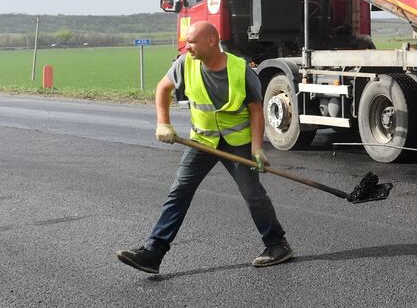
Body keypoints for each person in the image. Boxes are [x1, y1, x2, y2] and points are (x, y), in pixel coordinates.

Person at [117, 21, 292, 274]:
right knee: (179, 192)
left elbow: (256, 110)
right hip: (202, 141)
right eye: (187, 42)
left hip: (237, 143)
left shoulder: (240, 69)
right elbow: (163, 89)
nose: (187, 46)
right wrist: (163, 123)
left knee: (252, 194)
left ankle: (277, 245)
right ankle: (153, 253)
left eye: (191, 41)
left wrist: (257, 148)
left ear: (211, 40)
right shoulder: (184, 63)